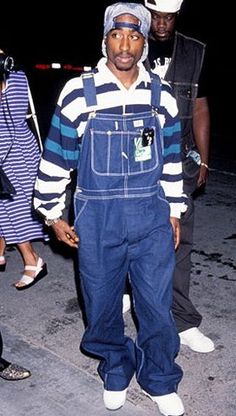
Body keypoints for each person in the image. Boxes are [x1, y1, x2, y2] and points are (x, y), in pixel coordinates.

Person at [34, 3, 187, 415]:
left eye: (134, 36)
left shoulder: (162, 94)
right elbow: (56, 157)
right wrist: (51, 213)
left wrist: (174, 210)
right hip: (97, 221)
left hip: (152, 216)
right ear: (104, 40)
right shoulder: (79, 93)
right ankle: (116, 365)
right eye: (117, 35)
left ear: (144, 42)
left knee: (155, 306)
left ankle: (159, 377)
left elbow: (171, 157)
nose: (125, 45)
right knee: (101, 305)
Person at [143, 0, 215, 353]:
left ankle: (183, 320)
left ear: (177, 16)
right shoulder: (128, 43)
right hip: (135, 164)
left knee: (180, 240)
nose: (160, 24)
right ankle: (131, 293)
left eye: (168, 17)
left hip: (180, 162)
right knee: (132, 238)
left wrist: (204, 160)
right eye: (155, 16)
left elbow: (200, 106)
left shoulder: (195, 52)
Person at [0, 49, 48, 290]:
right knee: (6, 210)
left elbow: (13, 116)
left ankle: (31, 259)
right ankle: (30, 259)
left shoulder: (14, 73)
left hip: (15, 152)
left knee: (15, 209)